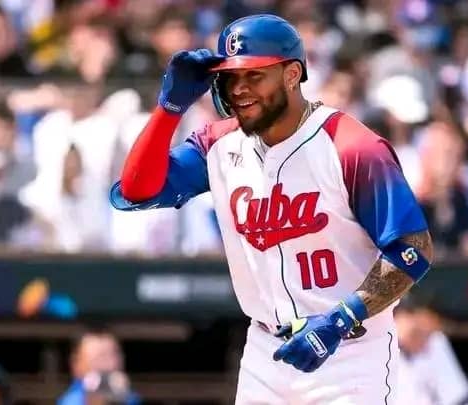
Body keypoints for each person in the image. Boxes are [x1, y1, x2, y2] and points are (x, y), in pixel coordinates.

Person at [110, 14, 433, 403]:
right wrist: (169, 108)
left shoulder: (350, 147)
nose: (239, 89)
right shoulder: (219, 144)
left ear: (292, 74)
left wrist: (340, 320)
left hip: (349, 351)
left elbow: (413, 250)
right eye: (230, 77)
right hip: (264, 350)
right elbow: (135, 189)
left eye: (254, 75)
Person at [393, 296, 468, 405]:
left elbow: (414, 332)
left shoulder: (434, 340)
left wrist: (411, 327)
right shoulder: (389, 354)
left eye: (395, 315)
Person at [58, 329, 130, 405]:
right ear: (76, 364)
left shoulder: (129, 397)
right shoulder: (70, 401)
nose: (106, 365)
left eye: (112, 355)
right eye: (98, 358)